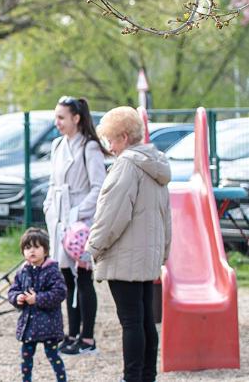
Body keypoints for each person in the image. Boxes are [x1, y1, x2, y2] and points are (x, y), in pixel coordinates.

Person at [87, 106, 172, 382]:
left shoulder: (126, 165)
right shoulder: (155, 164)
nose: (110, 146)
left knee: (131, 322)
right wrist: (164, 251)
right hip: (147, 257)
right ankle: (147, 376)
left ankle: (131, 377)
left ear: (124, 137)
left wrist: (95, 247)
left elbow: (112, 214)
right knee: (146, 320)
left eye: (111, 139)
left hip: (124, 256)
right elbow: (165, 216)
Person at [43, 96, 107, 355]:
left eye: (61, 117)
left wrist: (78, 213)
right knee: (66, 277)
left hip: (80, 220)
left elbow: (99, 186)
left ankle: (87, 337)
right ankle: (71, 333)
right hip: (59, 217)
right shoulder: (58, 144)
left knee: (83, 278)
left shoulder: (89, 147)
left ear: (76, 118)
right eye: (56, 117)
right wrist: (50, 207)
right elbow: (51, 182)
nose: (57, 122)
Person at [7, 228, 68, 382]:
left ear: (45, 250)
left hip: (49, 324)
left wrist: (38, 299)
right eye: (27, 248)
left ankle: (62, 379)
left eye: (36, 247)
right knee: (26, 357)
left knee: (53, 355)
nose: (31, 251)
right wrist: (17, 297)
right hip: (29, 324)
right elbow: (13, 290)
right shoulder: (22, 272)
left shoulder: (52, 271)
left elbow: (60, 293)